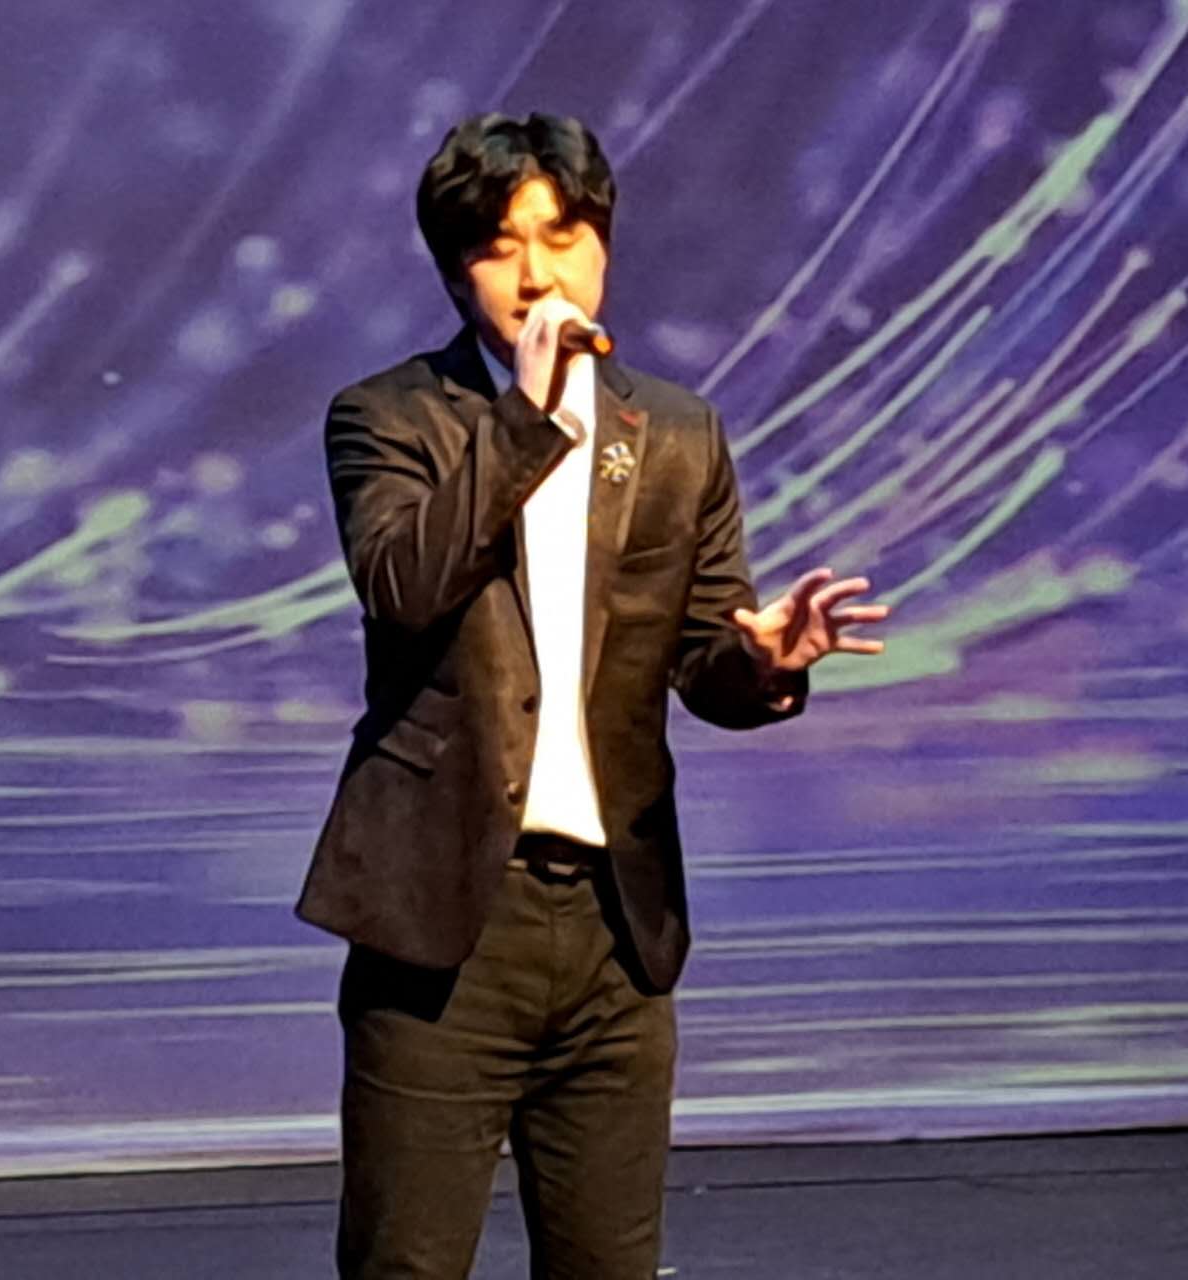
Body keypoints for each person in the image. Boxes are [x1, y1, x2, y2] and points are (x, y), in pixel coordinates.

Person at [296, 111, 886, 1278]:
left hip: (617, 926)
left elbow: (705, 661)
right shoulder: (390, 417)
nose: (537, 274)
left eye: (561, 236)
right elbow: (404, 585)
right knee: (406, 1261)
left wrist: (768, 662)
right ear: (454, 271)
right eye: (498, 246)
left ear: (602, 245)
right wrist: (525, 417)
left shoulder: (674, 434)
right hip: (447, 923)